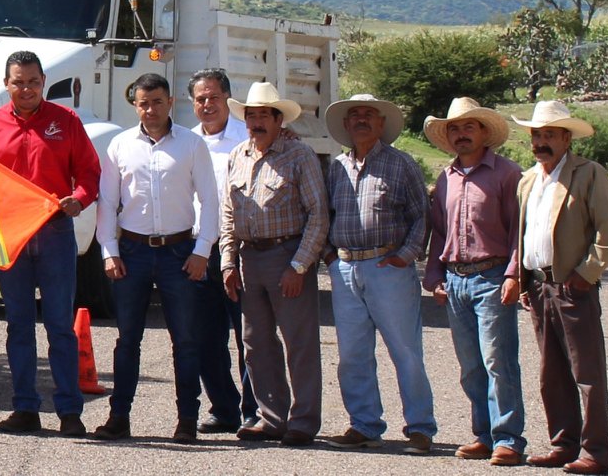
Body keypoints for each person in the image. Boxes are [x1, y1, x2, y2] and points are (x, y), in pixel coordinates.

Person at [0, 51, 100, 436]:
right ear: (6, 83)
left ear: (43, 81)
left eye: (32, 81)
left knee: (60, 326)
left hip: (55, 234)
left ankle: (69, 412)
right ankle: (25, 408)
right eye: (18, 81)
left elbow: (91, 173)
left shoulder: (67, 122)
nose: (25, 89)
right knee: (19, 327)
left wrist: (79, 198)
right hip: (11, 238)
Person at [92, 73, 218, 443]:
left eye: (158, 102)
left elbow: (210, 200)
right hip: (131, 252)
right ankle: (119, 417)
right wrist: (109, 251)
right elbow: (107, 203)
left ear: (171, 103)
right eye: (144, 103)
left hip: (179, 252)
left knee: (186, 339)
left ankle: (187, 420)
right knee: (127, 338)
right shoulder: (119, 146)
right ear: (136, 105)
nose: (151, 110)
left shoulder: (192, 145)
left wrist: (202, 250)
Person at [319, 95, 436, 454]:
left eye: (369, 115)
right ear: (346, 125)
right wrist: (329, 257)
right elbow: (324, 214)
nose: (361, 120)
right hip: (346, 268)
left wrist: (405, 256)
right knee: (352, 353)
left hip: (389, 268)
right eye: (355, 115)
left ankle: (419, 428)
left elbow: (422, 215)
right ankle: (364, 425)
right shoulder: (337, 167)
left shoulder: (402, 164)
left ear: (381, 124)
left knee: (405, 351)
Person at [509, 101, 608, 475]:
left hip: (574, 287)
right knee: (551, 374)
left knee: (587, 373)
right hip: (540, 288)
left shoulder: (589, 173)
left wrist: (586, 274)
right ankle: (563, 444)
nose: (541, 142)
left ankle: (596, 451)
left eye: (550, 135)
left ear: (566, 138)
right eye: (537, 135)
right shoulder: (528, 180)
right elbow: (523, 236)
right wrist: (523, 280)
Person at [218, 81, 328, 447]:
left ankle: (303, 421)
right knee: (256, 342)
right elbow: (229, 214)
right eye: (251, 115)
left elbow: (318, 215)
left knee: (299, 342)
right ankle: (271, 417)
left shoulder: (299, 155)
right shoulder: (238, 155)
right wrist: (228, 262)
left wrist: (299, 266)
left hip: (287, 254)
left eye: (264, 114)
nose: (256, 121)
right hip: (250, 258)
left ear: (279, 119)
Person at [421, 97, 526, 465]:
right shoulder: (445, 178)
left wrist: (514, 275)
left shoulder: (507, 174)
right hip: (455, 282)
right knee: (470, 365)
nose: (461, 134)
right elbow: (439, 232)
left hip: (493, 276)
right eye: (454, 128)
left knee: (499, 360)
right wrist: (433, 276)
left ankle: (509, 439)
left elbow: (518, 232)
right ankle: (483, 434)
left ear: (484, 133)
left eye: (468, 127)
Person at [186, 69, 255, 433]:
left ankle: (255, 410)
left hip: (239, 249)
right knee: (204, 336)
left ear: (228, 98)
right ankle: (224, 408)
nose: (207, 105)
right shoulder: (186, 142)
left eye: (213, 97)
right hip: (198, 249)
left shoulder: (248, 138)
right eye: (200, 99)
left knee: (248, 334)